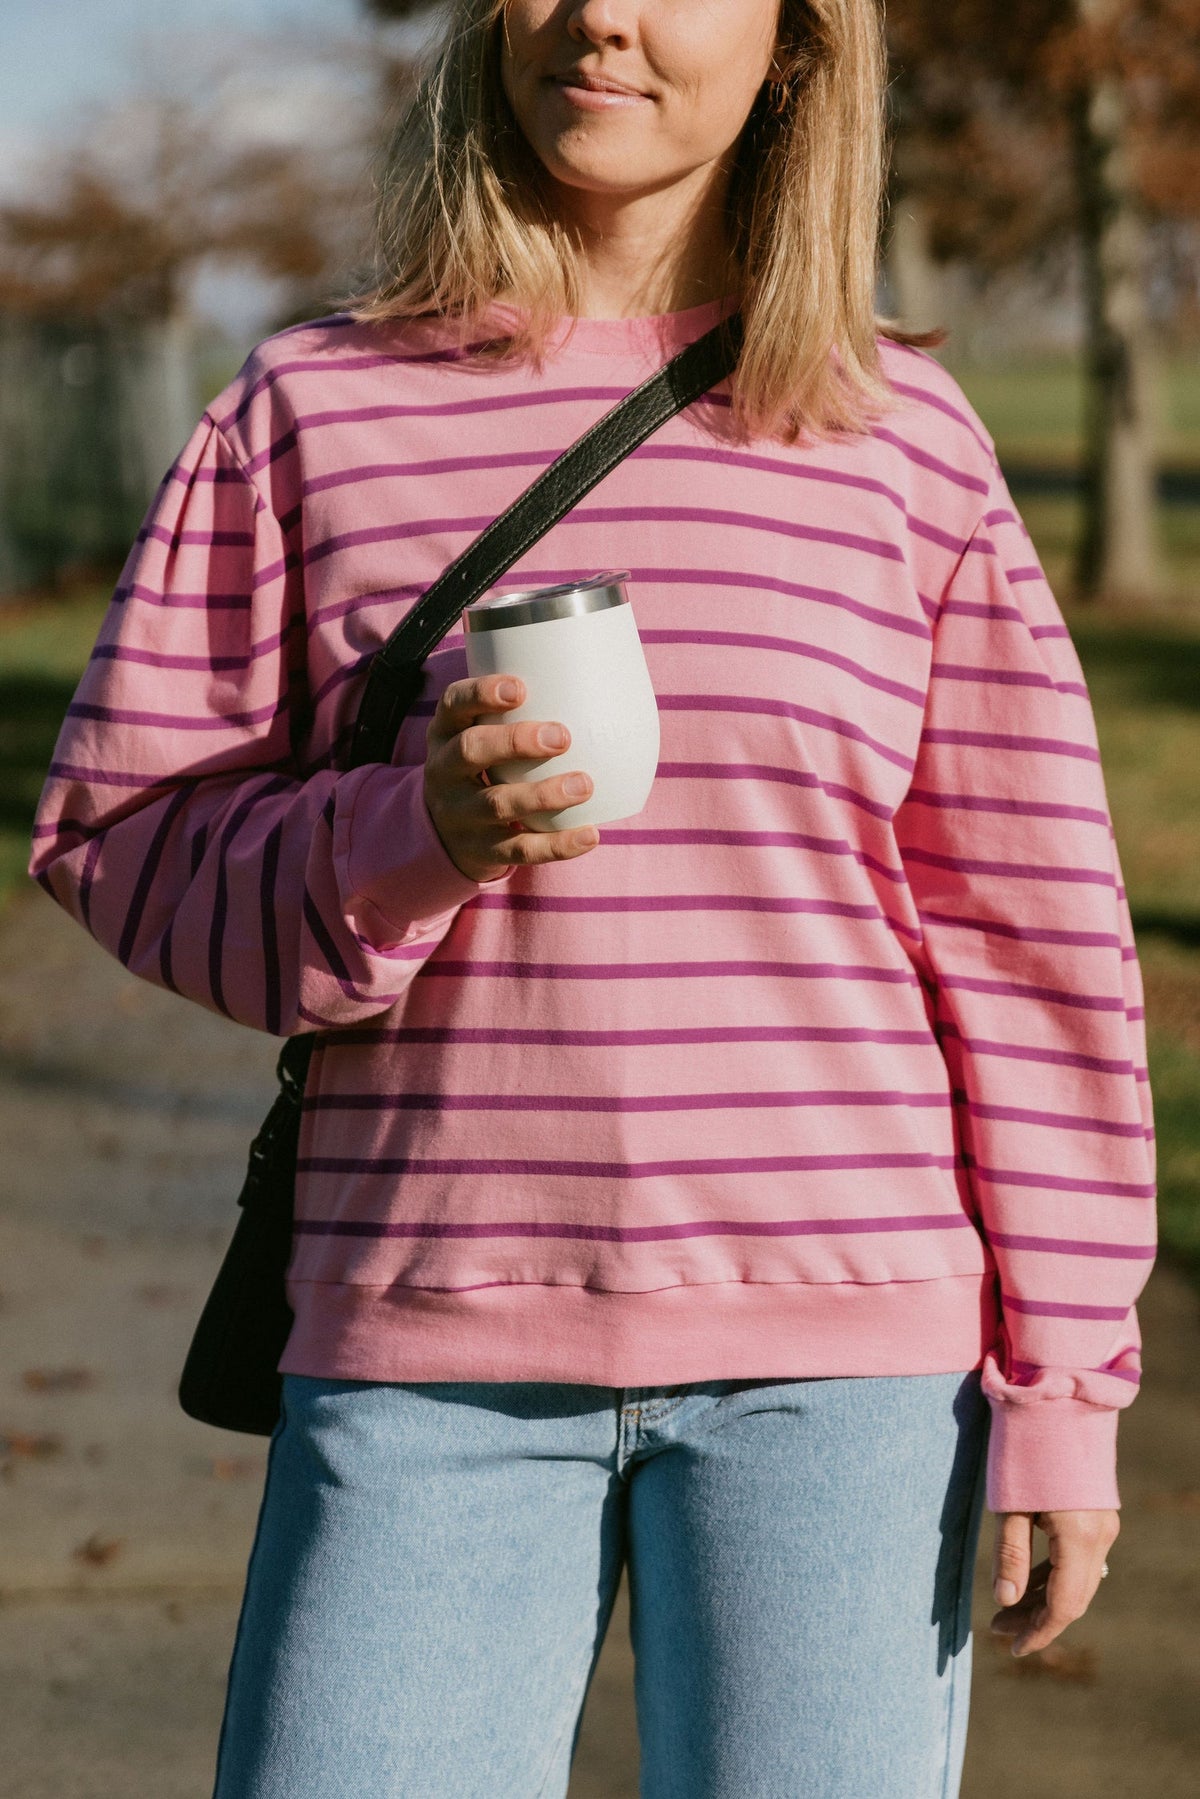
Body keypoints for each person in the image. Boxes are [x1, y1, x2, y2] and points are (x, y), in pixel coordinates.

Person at [31, 1, 1154, 1794]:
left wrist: (1068, 1385)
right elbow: (118, 836)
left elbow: (1036, 953)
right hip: (424, 1346)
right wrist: (417, 839)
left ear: (796, 42)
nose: (601, 17)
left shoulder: (905, 440)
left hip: (849, 1383)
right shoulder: (310, 408)